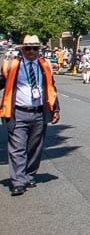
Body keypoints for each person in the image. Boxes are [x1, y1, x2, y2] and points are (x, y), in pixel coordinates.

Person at [1, 35, 61, 196]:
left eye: (35, 48)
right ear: (22, 50)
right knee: (17, 148)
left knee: (35, 148)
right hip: (18, 112)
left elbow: (51, 87)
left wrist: (55, 109)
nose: (32, 51)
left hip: (39, 112)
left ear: (39, 50)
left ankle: (28, 175)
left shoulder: (44, 65)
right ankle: (18, 182)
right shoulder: (13, 66)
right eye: (28, 48)